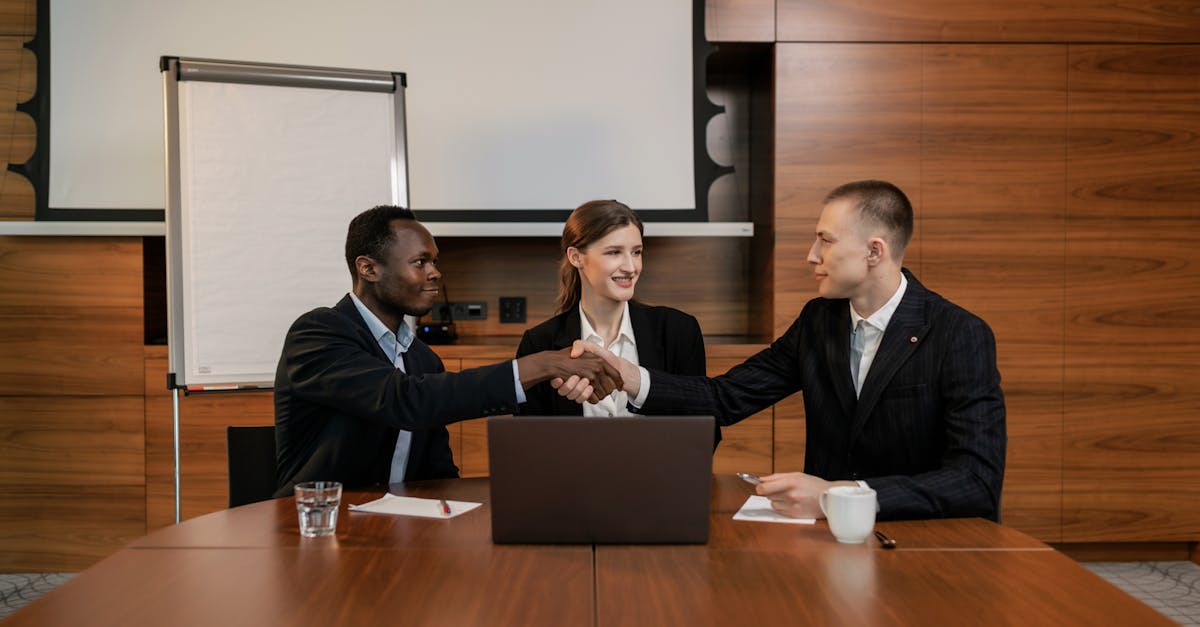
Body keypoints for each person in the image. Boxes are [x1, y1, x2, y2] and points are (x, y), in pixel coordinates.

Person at [566, 180, 1006, 521]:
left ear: (875, 251)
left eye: (826, 240)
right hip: (827, 545)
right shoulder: (820, 322)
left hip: (930, 541)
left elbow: (976, 483)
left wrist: (842, 496)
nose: (811, 256)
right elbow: (725, 398)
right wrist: (627, 374)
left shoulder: (958, 333)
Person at [273, 205, 621, 497]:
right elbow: (404, 401)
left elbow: (436, 472)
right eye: (420, 262)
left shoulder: (423, 359)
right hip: (318, 529)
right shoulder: (318, 333)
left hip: (398, 533)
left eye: (435, 262)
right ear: (368, 268)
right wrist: (541, 364)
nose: (436, 273)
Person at [514, 200, 719, 446]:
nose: (631, 267)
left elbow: (706, 432)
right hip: (571, 484)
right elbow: (528, 445)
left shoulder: (678, 330)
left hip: (659, 482)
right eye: (614, 252)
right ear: (576, 257)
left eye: (636, 252)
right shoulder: (539, 342)